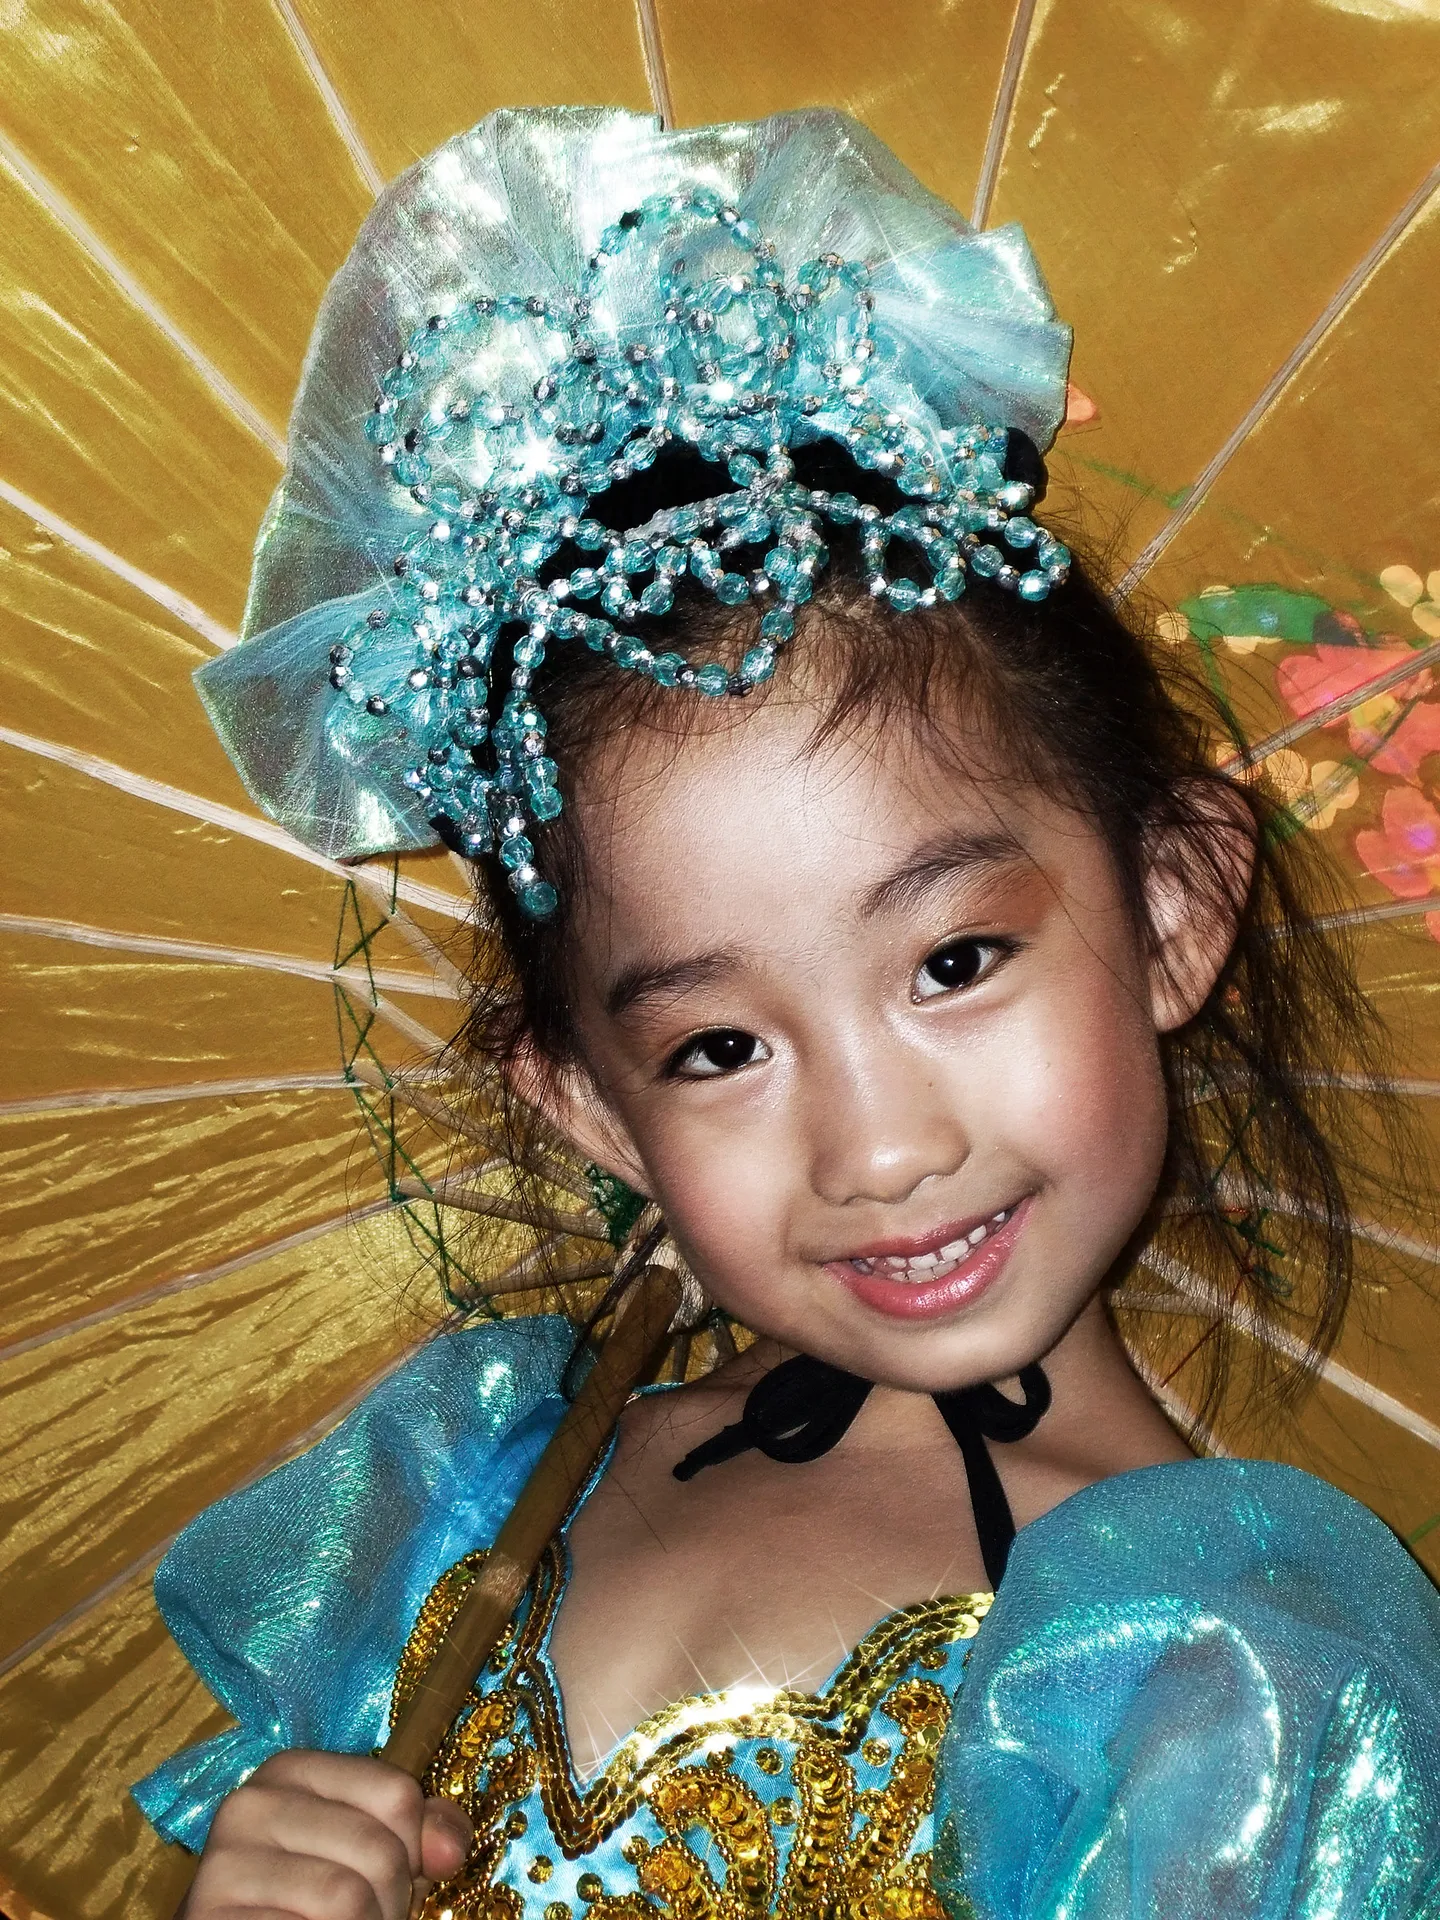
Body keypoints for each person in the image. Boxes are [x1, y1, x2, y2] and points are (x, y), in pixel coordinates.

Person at [133, 107, 1440, 1919]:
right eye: (718, 1049)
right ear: (592, 1102)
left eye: (955, 963)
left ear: (1172, 909)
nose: (880, 1150)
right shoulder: (463, 1500)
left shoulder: (1238, 1684)